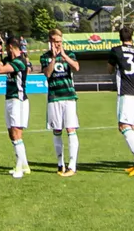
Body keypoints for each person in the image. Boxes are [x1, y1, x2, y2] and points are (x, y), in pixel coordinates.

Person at [0, 35, 31, 178]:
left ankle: (19, 168)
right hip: (9, 99)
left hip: (18, 100)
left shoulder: (20, 61)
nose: (6, 51)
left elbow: (0, 70)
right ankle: (25, 165)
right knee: (11, 134)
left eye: (6, 48)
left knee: (16, 133)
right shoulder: (10, 59)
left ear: (12, 47)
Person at [108, 26, 134, 176]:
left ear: (120, 37)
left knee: (124, 126)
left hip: (126, 92)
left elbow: (109, 69)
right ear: (132, 37)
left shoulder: (117, 50)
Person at [40, 28, 79, 177]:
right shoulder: (45, 57)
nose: (58, 45)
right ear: (50, 42)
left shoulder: (69, 54)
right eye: (55, 42)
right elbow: (48, 74)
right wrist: (54, 59)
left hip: (69, 97)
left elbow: (76, 67)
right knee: (57, 131)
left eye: (60, 42)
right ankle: (60, 163)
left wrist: (63, 55)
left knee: (71, 129)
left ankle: (73, 165)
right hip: (54, 97)